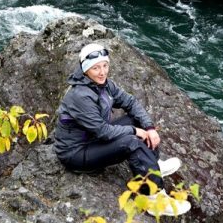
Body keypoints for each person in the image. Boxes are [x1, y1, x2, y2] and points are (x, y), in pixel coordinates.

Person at [53, 43, 182, 189]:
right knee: (131, 141)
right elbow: (103, 131)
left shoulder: (104, 84)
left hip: (94, 138)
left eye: (105, 66)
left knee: (136, 120)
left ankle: (153, 165)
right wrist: (134, 131)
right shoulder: (80, 96)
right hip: (76, 152)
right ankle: (152, 195)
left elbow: (130, 102)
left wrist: (149, 128)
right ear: (85, 70)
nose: (102, 72)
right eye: (96, 68)